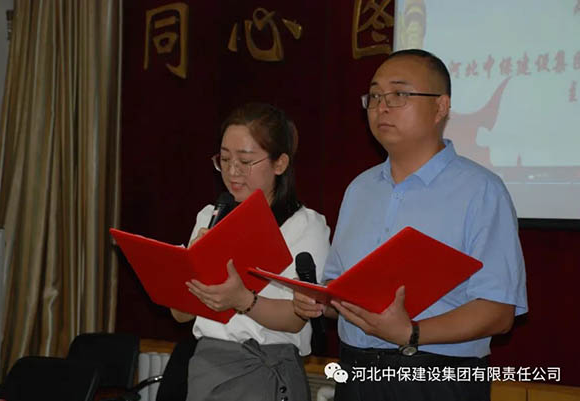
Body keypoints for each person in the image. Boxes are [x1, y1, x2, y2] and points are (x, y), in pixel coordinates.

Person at [293, 49, 528, 401]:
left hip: (436, 376)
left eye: (399, 94)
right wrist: (318, 302)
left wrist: (411, 332)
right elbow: (337, 288)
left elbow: (498, 311)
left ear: (440, 107)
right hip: (355, 373)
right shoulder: (360, 189)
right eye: (374, 96)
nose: (381, 107)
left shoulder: (481, 191)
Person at [171, 102, 330, 401]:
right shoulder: (209, 217)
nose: (232, 171)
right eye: (224, 159)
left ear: (280, 164)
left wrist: (242, 299)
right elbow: (179, 314)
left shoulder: (304, 225)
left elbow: (297, 317)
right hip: (207, 368)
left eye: (245, 161)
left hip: (265, 368)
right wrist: (193, 266)